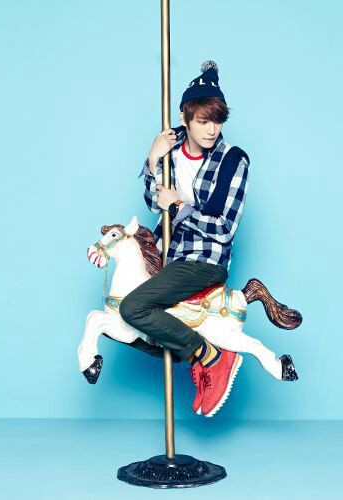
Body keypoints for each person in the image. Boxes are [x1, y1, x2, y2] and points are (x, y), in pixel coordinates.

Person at [119, 61, 249, 417]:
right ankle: (190, 354)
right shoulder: (171, 149)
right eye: (203, 121)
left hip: (205, 261)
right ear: (185, 117)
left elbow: (224, 228)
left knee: (133, 308)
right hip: (170, 257)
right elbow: (154, 202)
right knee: (121, 318)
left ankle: (211, 357)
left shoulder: (233, 160)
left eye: (217, 121)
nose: (211, 130)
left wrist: (178, 204)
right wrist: (152, 158)